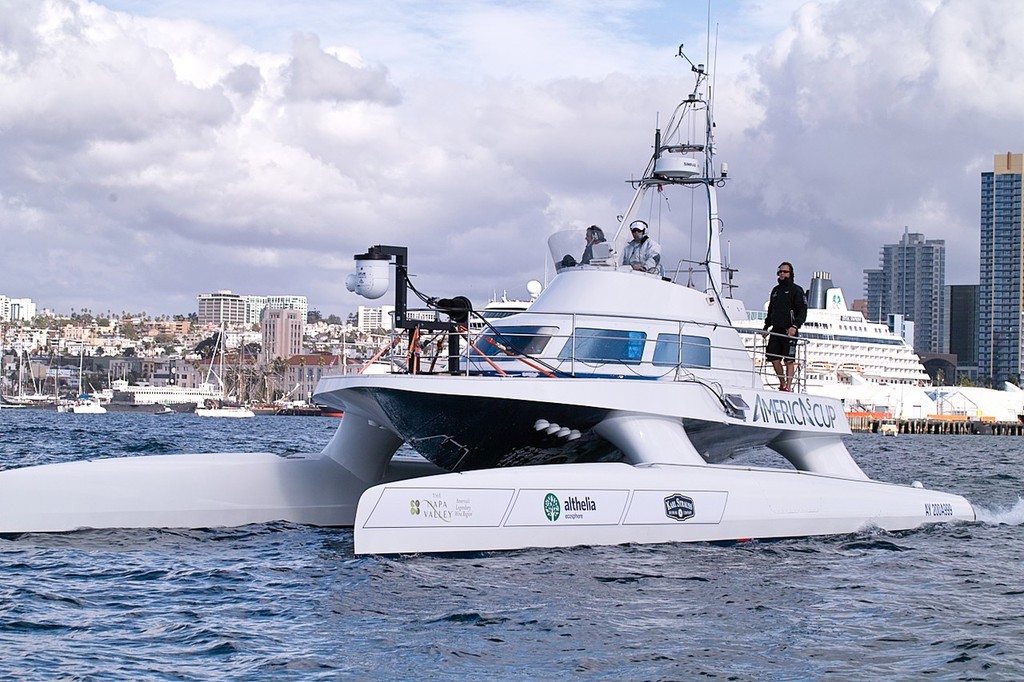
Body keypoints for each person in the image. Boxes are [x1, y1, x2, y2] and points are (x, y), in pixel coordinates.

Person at [761, 261, 807, 391]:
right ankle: (782, 383)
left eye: (785, 272)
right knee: (773, 357)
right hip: (776, 329)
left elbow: (802, 310)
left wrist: (795, 325)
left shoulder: (797, 290)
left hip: (789, 330)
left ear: (791, 273)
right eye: (780, 271)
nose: (782, 274)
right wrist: (766, 327)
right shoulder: (776, 291)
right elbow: (771, 311)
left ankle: (788, 385)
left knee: (789, 360)